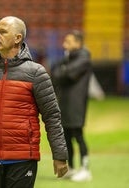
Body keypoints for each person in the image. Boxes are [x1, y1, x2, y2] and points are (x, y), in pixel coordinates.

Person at [0, 16, 68, 188]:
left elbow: (52, 117)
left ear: (18, 38)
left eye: (3, 32)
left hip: (22, 158)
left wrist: (60, 155)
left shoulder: (36, 73)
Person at [51, 30, 92, 181]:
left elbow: (66, 74)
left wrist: (60, 72)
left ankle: (85, 169)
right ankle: (72, 168)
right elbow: (54, 72)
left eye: (68, 41)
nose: (64, 44)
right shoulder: (69, 57)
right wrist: (60, 72)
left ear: (78, 43)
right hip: (65, 103)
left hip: (76, 104)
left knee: (78, 135)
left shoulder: (84, 57)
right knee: (66, 137)